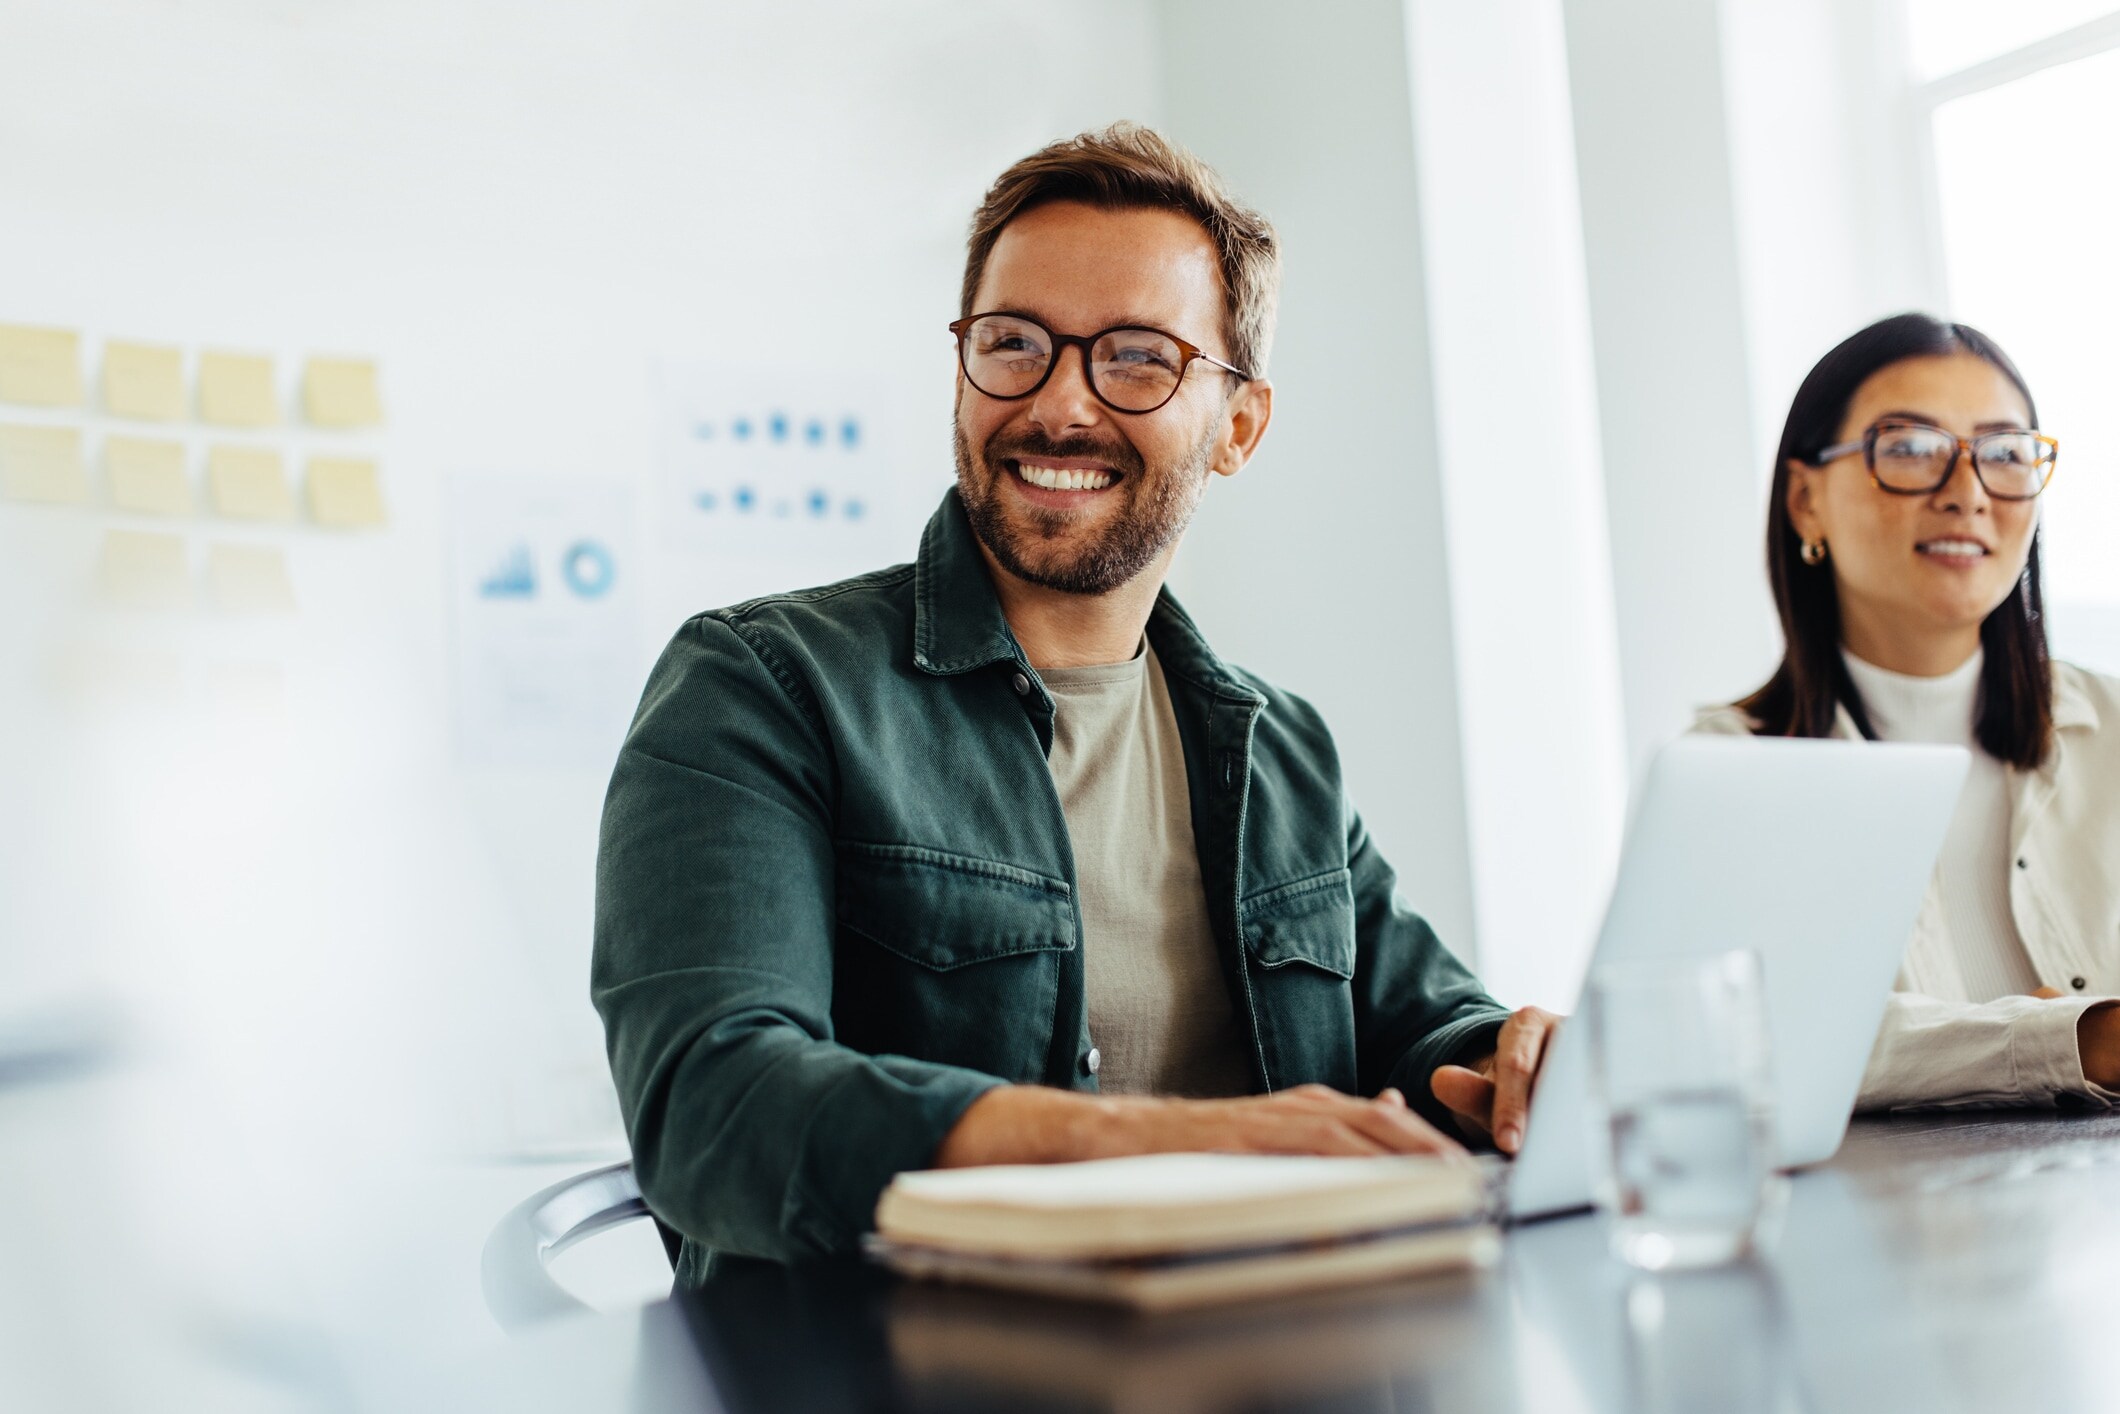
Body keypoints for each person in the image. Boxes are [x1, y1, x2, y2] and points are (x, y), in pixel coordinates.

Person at [592, 123, 1556, 1281]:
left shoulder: (1277, 748)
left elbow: (1424, 1028)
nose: (1059, 404)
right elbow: (713, 1108)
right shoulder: (760, 685)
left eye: (1138, 358)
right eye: (1013, 344)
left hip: (1278, 1355)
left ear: (1236, 426)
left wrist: (1517, 1060)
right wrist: (1150, 1145)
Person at [1697, 312, 2120, 1110]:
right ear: (1804, 500)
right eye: (1912, 449)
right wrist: (2077, 1038)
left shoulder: (2114, 730)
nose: (1966, 493)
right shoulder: (1729, 772)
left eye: (2003, 454)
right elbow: (1755, 1041)